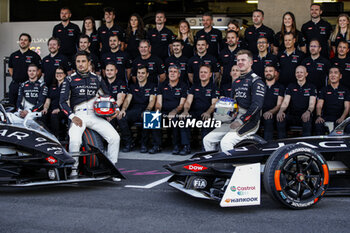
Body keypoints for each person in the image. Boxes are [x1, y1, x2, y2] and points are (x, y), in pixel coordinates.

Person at [59, 51, 120, 177]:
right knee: (75, 140)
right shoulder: (69, 79)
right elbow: (62, 102)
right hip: (78, 115)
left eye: (83, 61)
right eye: (78, 62)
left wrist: (116, 110)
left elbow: (108, 97)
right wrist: (72, 116)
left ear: (89, 63)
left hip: (95, 115)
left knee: (115, 137)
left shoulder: (97, 78)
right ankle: (74, 169)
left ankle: (112, 167)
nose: (80, 64)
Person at [203, 50, 265, 152]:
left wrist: (241, 120)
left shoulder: (257, 81)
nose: (240, 62)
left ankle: (233, 167)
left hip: (250, 121)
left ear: (251, 62)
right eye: (238, 60)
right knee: (208, 140)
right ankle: (216, 164)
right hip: (234, 118)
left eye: (243, 60)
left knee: (226, 142)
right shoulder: (236, 82)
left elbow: (257, 106)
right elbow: (233, 104)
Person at [117, 65, 157, 153]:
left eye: (143, 73)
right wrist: (123, 109)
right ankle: (129, 143)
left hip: (146, 109)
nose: (140, 75)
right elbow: (127, 100)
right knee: (121, 117)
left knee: (148, 117)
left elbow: (152, 101)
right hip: (134, 110)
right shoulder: (132, 86)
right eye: (139, 73)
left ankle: (144, 144)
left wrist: (147, 110)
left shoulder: (152, 86)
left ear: (147, 74)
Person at [181, 64, 220, 154]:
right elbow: (188, 102)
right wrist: (185, 111)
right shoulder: (195, 86)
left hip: (207, 113)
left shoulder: (214, 87)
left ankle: (204, 147)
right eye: (201, 72)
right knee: (183, 120)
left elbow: (214, 104)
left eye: (205, 72)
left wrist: (208, 112)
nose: (203, 74)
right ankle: (186, 146)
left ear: (210, 74)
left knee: (206, 121)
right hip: (194, 112)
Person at [154, 65, 188, 154]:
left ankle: (176, 145)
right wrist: (157, 111)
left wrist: (174, 111)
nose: (172, 73)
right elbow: (159, 103)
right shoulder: (162, 85)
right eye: (170, 71)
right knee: (152, 117)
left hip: (176, 111)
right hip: (163, 111)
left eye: (175, 71)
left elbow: (181, 104)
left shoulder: (183, 85)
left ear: (179, 74)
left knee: (175, 119)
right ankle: (157, 145)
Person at [277, 65, 317, 137]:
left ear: (306, 74)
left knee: (307, 119)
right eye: (297, 72)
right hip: (293, 115)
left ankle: (305, 145)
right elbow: (285, 102)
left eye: (301, 72)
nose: (299, 74)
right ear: (295, 74)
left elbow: (312, 104)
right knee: (281, 118)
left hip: (305, 114)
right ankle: (282, 143)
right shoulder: (291, 86)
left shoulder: (311, 87)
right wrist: (281, 111)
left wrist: (308, 112)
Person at [8, 33, 42, 106]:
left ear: (29, 43)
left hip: (29, 87)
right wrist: (15, 77)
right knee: (12, 107)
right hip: (15, 85)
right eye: (21, 40)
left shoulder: (35, 56)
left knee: (27, 107)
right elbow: (10, 68)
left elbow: (39, 71)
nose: (23, 42)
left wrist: (32, 81)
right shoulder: (13, 55)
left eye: (25, 40)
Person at [315, 66, 350, 135]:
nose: (333, 75)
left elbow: (347, 107)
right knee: (318, 124)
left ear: (340, 76)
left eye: (336, 73)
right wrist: (319, 116)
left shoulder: (345, 90)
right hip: (327, 116)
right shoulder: (324, 90)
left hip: (340, 117)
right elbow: (319, 105)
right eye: (331, 73)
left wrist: (342, 118)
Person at [42, 66, 68, 140]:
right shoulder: (52, 86)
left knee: (54, 116)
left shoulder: (67, 85)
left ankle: (55, 137)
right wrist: (45, 108)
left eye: (61, 73)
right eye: (57, 73)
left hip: (63, 110)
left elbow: (69, 101)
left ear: (65, 74)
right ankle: (45, 136)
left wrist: (59, 109)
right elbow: (48, 100)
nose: (58, 75)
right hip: (52, 109)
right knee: (43, 115)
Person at [261, 65, 284, 140]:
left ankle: (269, 146)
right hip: (259, 113)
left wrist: (270, 112)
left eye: (270, 71)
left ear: (275, 73)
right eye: (266, 71)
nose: (268, 73)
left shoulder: (280, 87)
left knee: (269, 119)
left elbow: (279, 105)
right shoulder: (259, 85)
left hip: (273, 113)